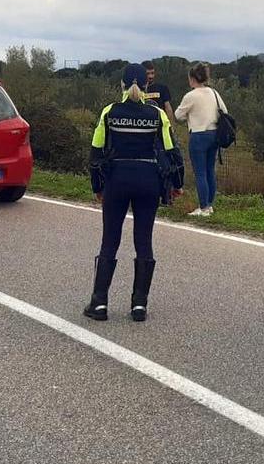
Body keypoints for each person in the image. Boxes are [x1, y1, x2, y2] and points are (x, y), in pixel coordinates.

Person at [85, 63, 184, 322]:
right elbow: (172, 150)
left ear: (121, 84)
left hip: (116, 180)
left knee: (110, 240)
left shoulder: (109, 112)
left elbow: (96, 152)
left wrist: (97, 187)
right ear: (147, 85)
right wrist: (177, 184)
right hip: (148, 181)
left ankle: (99, 303)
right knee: (144, 241)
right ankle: (139, 305)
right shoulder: (156, 114)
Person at [175, 62, 225, 217]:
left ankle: (203, 207)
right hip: (214, 134)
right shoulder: (214, 93)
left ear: (192, 78)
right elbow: (224, 111)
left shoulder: (191, 96)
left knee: (200, 173)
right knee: (210, 170)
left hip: (198, 135)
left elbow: (178, 115)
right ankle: (209, 205)